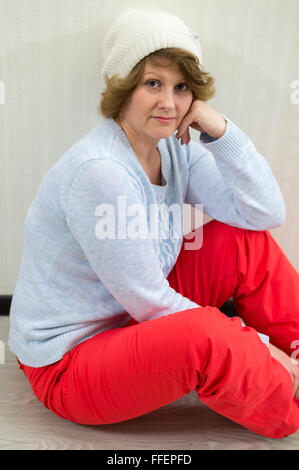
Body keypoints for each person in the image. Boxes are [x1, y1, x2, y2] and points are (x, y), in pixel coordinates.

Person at [8, 8, 299, 439]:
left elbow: (264, 214)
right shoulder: (101, 171)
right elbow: (150, 302)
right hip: (67, 362)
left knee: (239, 240)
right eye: (152, 83)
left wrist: (220, 132)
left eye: (181, 87)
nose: (169, 102)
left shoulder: (173, 147)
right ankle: (287, 398)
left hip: (125, 317)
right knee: (207, 335)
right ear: (123, 86)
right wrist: (261, 349)